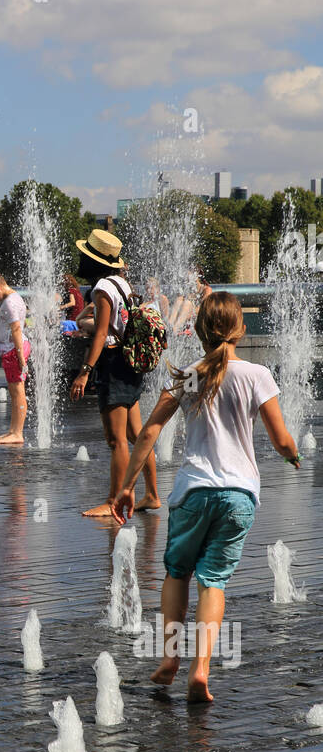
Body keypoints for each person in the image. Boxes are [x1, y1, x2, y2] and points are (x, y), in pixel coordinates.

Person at [112, 292, 300, 704]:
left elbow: (148, 432)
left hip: (194, 492)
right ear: (240, 330)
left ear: (199, 331)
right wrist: (293, 457)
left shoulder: (190, 375)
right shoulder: (256, 374)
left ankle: (169, 659)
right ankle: (202, 670)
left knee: (178, 573)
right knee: (213, 582)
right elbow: (282, 440)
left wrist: (127, 486)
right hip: (239, 496)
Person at [69, 229, 161, 516]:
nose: (80, 260)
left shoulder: (102, 289)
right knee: (137, 434)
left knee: (116, 440)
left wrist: (85, 372)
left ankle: (112, 503)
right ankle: (152, 495)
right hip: (130, 362)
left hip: (114, 364)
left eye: (84, 255)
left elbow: (101, 333)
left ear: (94, 261)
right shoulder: (121, 283)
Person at [0, 271, 30, 445]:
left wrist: (20, 356)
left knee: (18, 392)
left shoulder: (9, 303)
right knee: (14, 392)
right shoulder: (16, 298)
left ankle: (17, 433)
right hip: (13, 349)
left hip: (13, 350)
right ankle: (13, 430)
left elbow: (17, 329)